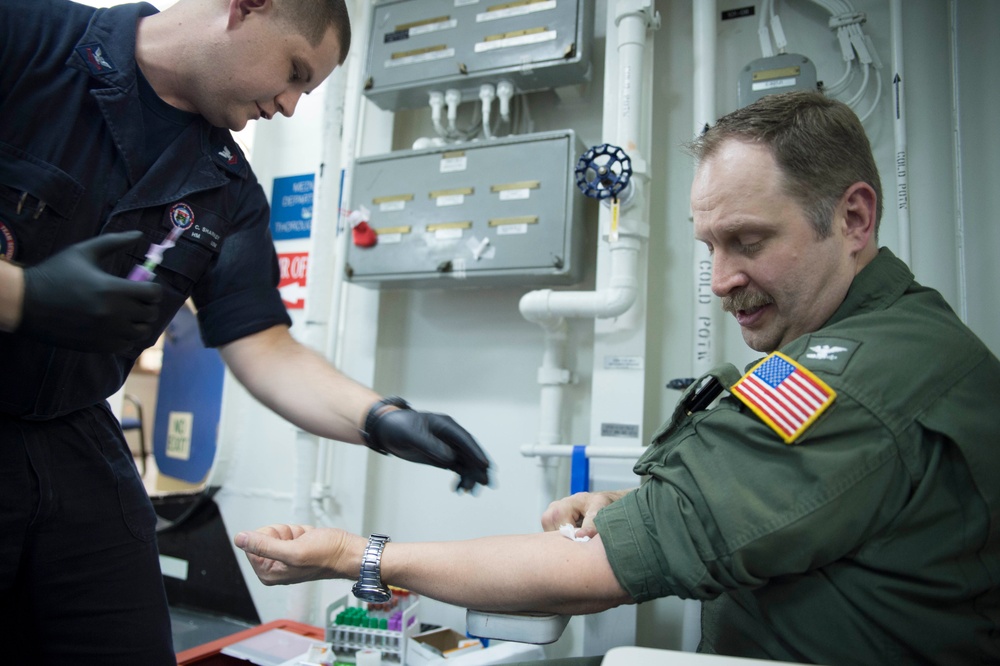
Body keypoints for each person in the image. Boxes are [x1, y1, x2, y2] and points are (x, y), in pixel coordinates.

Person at [234, 90, 1000, 665]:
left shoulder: (853, 381)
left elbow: (590, 574)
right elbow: (809, 502)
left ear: (855, 219)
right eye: (709, 246)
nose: (721, 280)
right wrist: (638, 506)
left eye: (749, 241)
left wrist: (354, 556)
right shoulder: (902, 342)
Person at [0, 0, 491, 663]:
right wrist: (23, 295)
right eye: (293, 71)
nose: (290, 105)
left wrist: (380, 418)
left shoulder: (228, 191)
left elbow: (262, 344)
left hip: (73, 433)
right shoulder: (25, 41)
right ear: (246, 6)